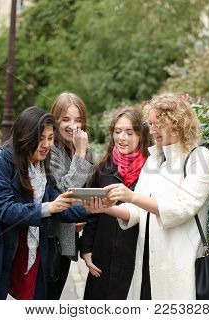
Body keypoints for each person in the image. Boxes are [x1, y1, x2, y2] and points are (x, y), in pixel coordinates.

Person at [0, 106, 89, 300]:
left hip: (15, 255)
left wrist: (92, 208)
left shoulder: (38, 165)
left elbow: (59, 203)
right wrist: (47, 208)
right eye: (41, 138)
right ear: (25, 136)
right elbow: (3, 209)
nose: (46, 144)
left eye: (50, 138)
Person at [85, 93, 209, 299]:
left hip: (177, 264)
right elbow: (136, 211)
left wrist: (132, 197)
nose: (153, 129)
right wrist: (105, 208)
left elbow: (181, 209)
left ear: (177, 123)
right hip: (146, 263)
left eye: (159, 124)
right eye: (152, 124)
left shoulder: (199, 157)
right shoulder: (155, 158)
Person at [79, 107, 149, 299]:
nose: (122, 138)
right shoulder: (103, 168)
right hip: (103, 253)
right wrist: (86, 249)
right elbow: (93, 213)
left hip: (135, 255)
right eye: (117, 132)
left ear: (141, 136)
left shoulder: (151, 171)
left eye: (129, 132)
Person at [48, 92, 94, 299]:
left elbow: (88, 190)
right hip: (49, 240)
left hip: (69, 238)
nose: (72, 126)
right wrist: (80, 153)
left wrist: (83, 216)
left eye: (78, 120)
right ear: (55, 120)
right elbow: (66, 192)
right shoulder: (49, 150)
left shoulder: (85, 149)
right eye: (65, 119)